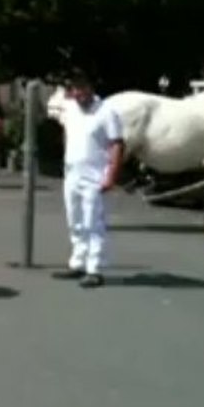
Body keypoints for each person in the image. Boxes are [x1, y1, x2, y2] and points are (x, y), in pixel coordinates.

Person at [59, 71, 124, 288]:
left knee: (93, 222)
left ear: (91, 88)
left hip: (95, 175)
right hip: (72, 173)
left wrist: (111, 174)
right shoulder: (70, 109)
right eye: (75, 89)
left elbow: (117, 143)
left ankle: (94, 268)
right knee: (74, 220)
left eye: (82, 88)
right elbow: (67, 133)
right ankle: (77, 262)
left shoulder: (106, 112)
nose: (78, 93)